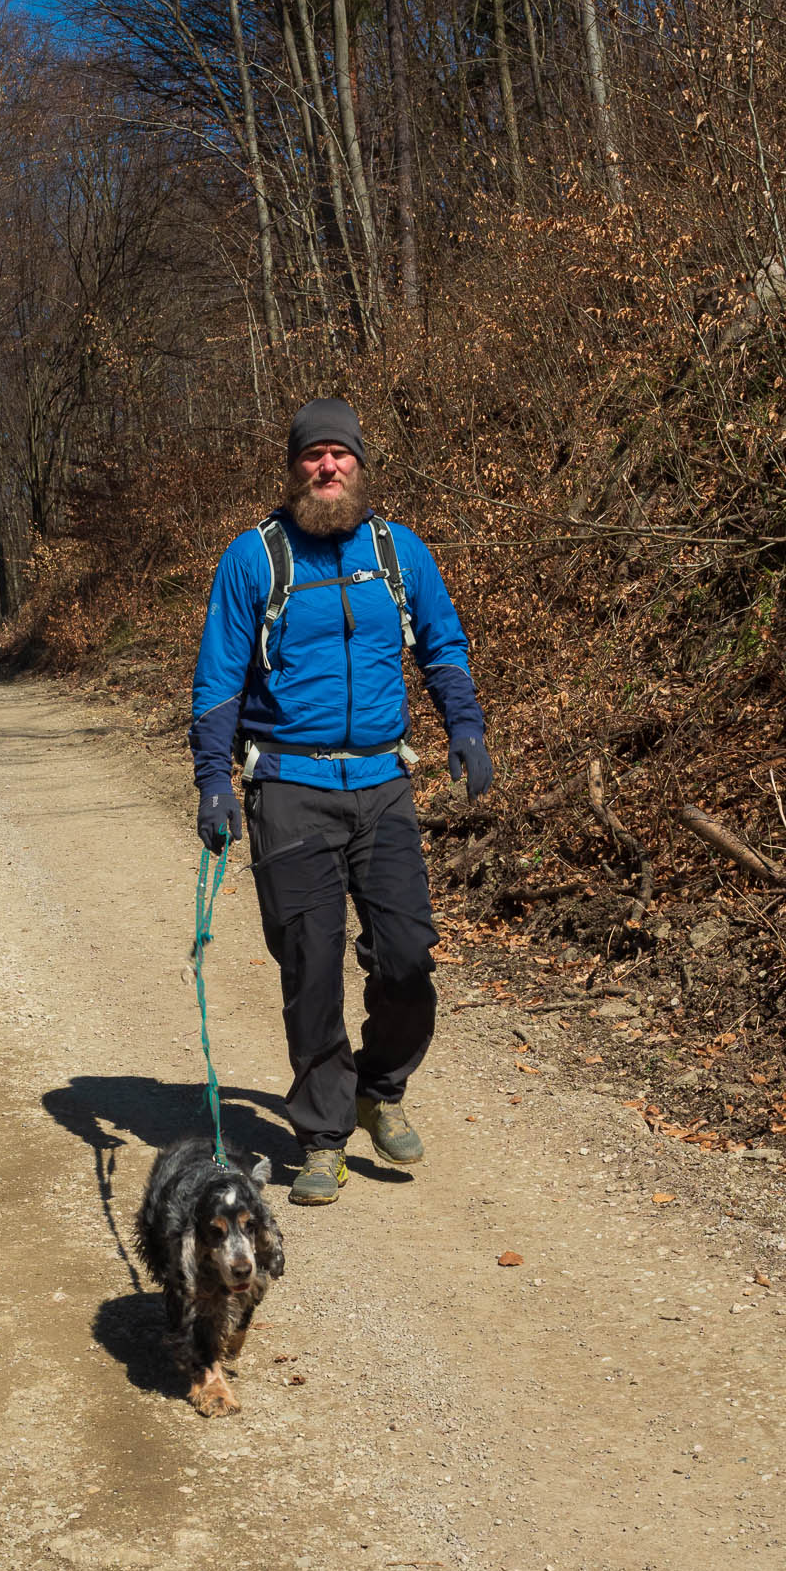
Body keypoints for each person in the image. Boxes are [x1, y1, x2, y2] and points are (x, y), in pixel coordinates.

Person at [189, 398, 492, 1206]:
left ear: (360, 464)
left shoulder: (399, 551)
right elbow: (220, 678)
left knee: (407, 958)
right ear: (293, 469)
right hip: (290, 789)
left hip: (383, 785)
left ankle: (379, 1089)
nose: (327, 468)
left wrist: (464, 724)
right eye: (312, 456)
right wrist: (215, 780)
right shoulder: (254, 559)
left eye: (340, 455)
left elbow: (443, 643)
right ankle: (322, 1136)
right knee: (311, 968)